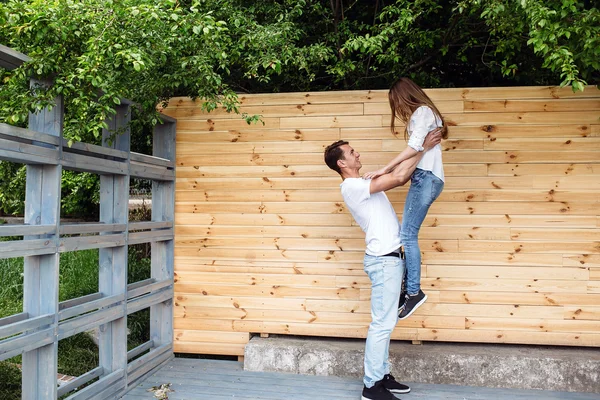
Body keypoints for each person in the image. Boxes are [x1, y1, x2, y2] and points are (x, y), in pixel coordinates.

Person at [324, 129, 442, 400]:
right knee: (381, 324)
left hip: (388, 260)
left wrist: (419, 150)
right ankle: (371, 386)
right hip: (383, 262)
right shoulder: (352, 187)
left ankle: (381, 375)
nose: (358, 154)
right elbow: (400, 177)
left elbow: (398, 173)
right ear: (342, 163)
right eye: (352, 153)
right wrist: (422, 147)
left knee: (385, 323)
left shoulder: (363, 182)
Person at [363, 78, 447, 321]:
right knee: (406, 235)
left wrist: (384, 168)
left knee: (408, 236)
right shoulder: (424, 114)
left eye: (397, 103)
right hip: (424, 178)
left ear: (404, 96)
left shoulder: (422, 111)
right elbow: (419, 148)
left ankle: (413, 292)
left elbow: (414, 147)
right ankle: (408, 290)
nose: (398, 109)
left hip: (426, 178)